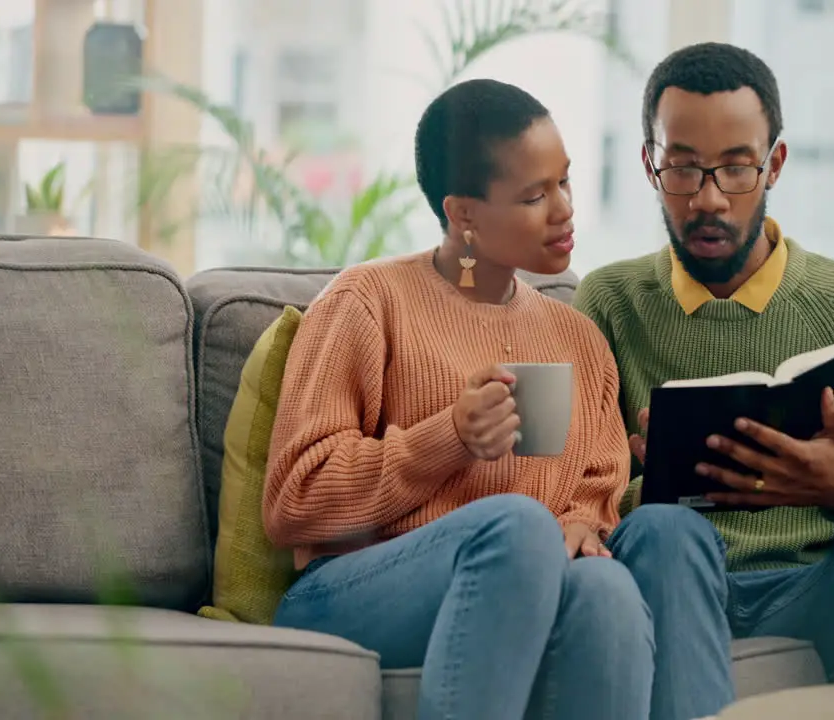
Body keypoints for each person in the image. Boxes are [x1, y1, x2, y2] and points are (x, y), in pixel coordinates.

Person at [573, 43, 834, 720]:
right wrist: (652, 487)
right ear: (650, 165)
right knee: (663, 531)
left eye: (737, 168)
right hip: (676, 575)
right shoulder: (608, 304)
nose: (709, 199)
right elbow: (569, 501)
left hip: (827, 583)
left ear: (775, 164)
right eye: (683, 168)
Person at [263, 78, 652, 720]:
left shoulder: (577, 337)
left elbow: (595, 485)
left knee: (607, 588)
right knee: (520, 525)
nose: (564, 211)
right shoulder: (365, 303)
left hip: (524, 578)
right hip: (349, 591)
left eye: (565, 182)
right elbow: (294, 498)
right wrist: (447, 438)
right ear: (464, 214)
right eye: (534, 195)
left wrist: (585, 524)